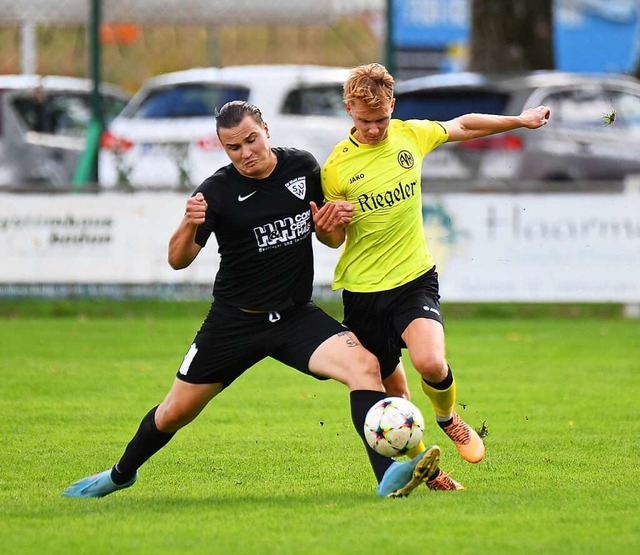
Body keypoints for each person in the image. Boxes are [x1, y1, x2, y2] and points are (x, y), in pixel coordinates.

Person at [62, 100, 451, 500]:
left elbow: (325, 231)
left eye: (251, 139)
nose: (246, 152)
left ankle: (387, 479)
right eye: (234, 147)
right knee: (175, 412)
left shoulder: (302, 167)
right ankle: (121, 473)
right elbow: (178, 261)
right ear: (223, 149)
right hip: (235, 322)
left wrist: (328, 227)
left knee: (365, 366)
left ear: (266, 129)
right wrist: (188, 222)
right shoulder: (216, 192)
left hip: (297, 319)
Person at [318, 63, 551, 487]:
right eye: (366, 122)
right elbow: (333, 240)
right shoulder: (336, 167)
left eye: (382, 119)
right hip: (363, 291)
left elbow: (462, 124)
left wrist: (519, 120)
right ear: (349, 109)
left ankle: (448, 418)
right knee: (395, 402)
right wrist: (328, 224)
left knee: (430, 360)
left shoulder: (410, 135)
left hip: (413, 278)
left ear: (393, 106)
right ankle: (428, 470)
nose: (375, 129)